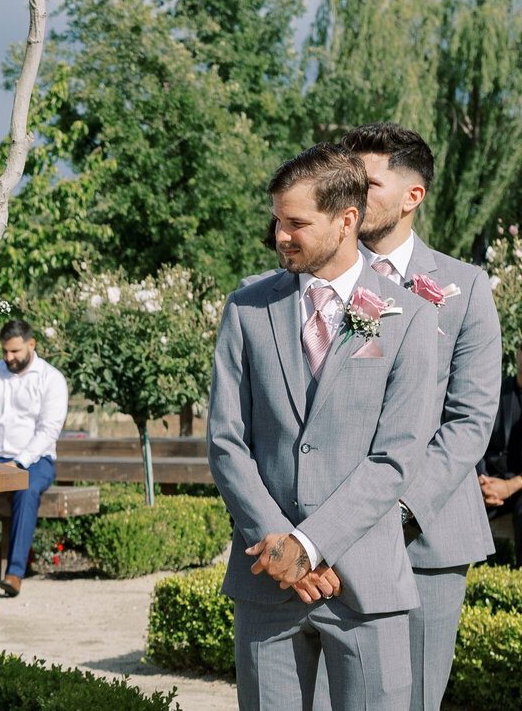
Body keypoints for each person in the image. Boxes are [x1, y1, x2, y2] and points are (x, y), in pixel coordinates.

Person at [207, 143, 438, 711]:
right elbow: (226, 441)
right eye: (278, 221)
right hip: (266, 580)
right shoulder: (246, 309)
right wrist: (277, 544)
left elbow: (396, 458)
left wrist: (309, 546)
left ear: (346, 220)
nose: (281, 235)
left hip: (364, 584)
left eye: (296, 223)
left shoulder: (408, 318)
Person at [341, 123, 502, 711]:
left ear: (412, 196)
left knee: (414, 701)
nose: (352, 193)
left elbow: (469, 418)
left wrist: (398, 512)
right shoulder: (315, 282)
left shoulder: (466, 287)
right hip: (325, 530)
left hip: (425, 535)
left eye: (368, 182)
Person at [0, 319, 68, 597]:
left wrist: (19, 462)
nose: (9, 358)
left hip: (36, 459)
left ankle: (14, 573)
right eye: (5, 352)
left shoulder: (51, 378)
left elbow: (48, 431)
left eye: (15, 352)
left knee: (27, 487)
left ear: (31, 345)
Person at [480, 364, 522, 547]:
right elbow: (476, 436)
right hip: (488, 483)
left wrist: (512, 485)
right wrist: (480, 483)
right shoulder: (497, 391)